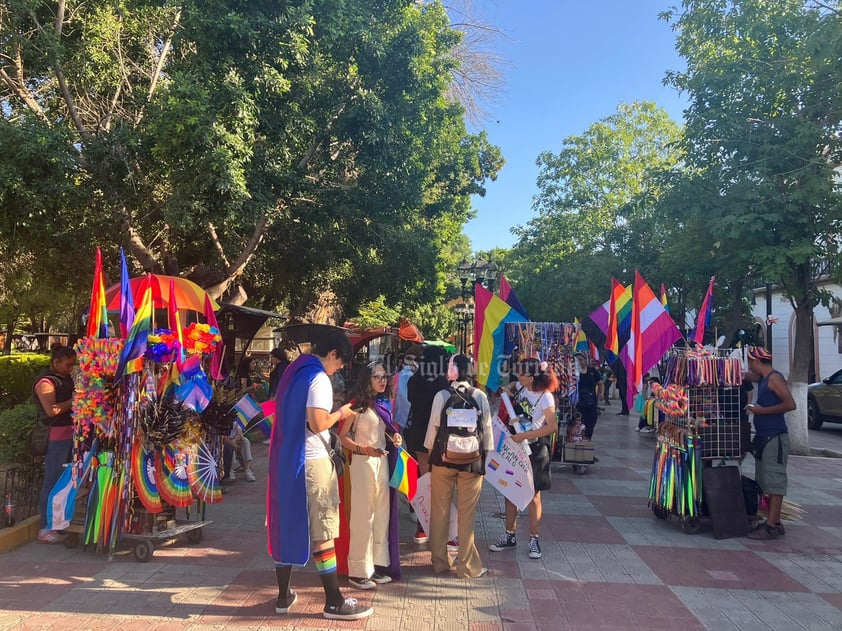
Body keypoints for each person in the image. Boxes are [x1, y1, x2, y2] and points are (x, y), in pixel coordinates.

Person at [267, 330, 373, 621]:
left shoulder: (293, 371)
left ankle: (283, 596)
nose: (338, 369)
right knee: (323, 531)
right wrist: (344, 412)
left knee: (286, 525)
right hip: (312, 462)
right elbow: (318, 423)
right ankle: (334, 601)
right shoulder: (318, 378)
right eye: (340, 364)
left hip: (287, 461)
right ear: (333, 354)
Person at [424, 354, 493, 579]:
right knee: (467, 515)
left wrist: (430, 455)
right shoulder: (480, 396)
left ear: (451, 371)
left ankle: (440, 562)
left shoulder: (441, 395)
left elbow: (432, 432)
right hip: (472, 462)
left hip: (443, 460)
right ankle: (466, 567)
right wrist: (484, 459)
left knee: (440, 511)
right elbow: (487, 433)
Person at [338, 361, 403, 589]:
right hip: (363, 463)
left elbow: (387, 432)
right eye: (377, 376)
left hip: (382, 462)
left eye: (384, 376)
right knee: (362, 516)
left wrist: (396, 438)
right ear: (367, 379)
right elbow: (342, 437)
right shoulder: (355, 406)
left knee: (381, 514)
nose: (382, 380)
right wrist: (364, 449)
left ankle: (376, 565)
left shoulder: (384, 405)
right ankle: (357, 570)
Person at [490, 357, 558, 560]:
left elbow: (552, 426)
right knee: (510, 490)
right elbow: (510, 386)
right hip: (514, 446)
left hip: (534, 449)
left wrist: (524, 436)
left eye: (521, 374)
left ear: (533, 377)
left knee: (533, 495)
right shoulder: (521, 386)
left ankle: (534, 538)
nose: (518, 377)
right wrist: (509, 389)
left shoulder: (546, 397)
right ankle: (509, 534)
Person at [744, 346, 796, 540]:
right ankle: (776, 521)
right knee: (765, 480)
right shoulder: (763, 378)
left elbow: (790, 404)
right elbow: (749, 377)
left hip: (775, 437)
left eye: (750, 363)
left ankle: (771, 526)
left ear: (757, 362)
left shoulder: (775, 378)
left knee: (775, 482)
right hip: (763, 436)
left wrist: (760, 411)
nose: (750, 367)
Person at [404, 344, 449, 544]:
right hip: (436, 434)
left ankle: (422, 524)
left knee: (424, 477)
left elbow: (413, 402)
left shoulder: (415, 380)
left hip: (418, 433)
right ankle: (431, 524)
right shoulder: (441, 382)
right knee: (436, 479)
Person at [34, 345, 77, 544]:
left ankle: (58, 524)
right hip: (55, 437)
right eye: (68, 365)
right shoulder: (46, 382)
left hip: (69, 435)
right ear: (56, 362)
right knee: (52, 481)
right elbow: (52, 410)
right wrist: (75, 400)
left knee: (65, 482)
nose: (71, 369)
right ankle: (45, 528)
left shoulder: (66, 378)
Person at [575, 353, 603, 439]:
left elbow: (600, 383)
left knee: (590, 424)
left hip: (591, 403)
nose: (579, 362)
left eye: (581, 359)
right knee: (578, 425)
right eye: (577, 360)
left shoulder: (592, 371)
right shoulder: (573, 372)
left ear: (586, 360)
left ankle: (587, 439)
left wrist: (601, 393)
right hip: (578, 404)